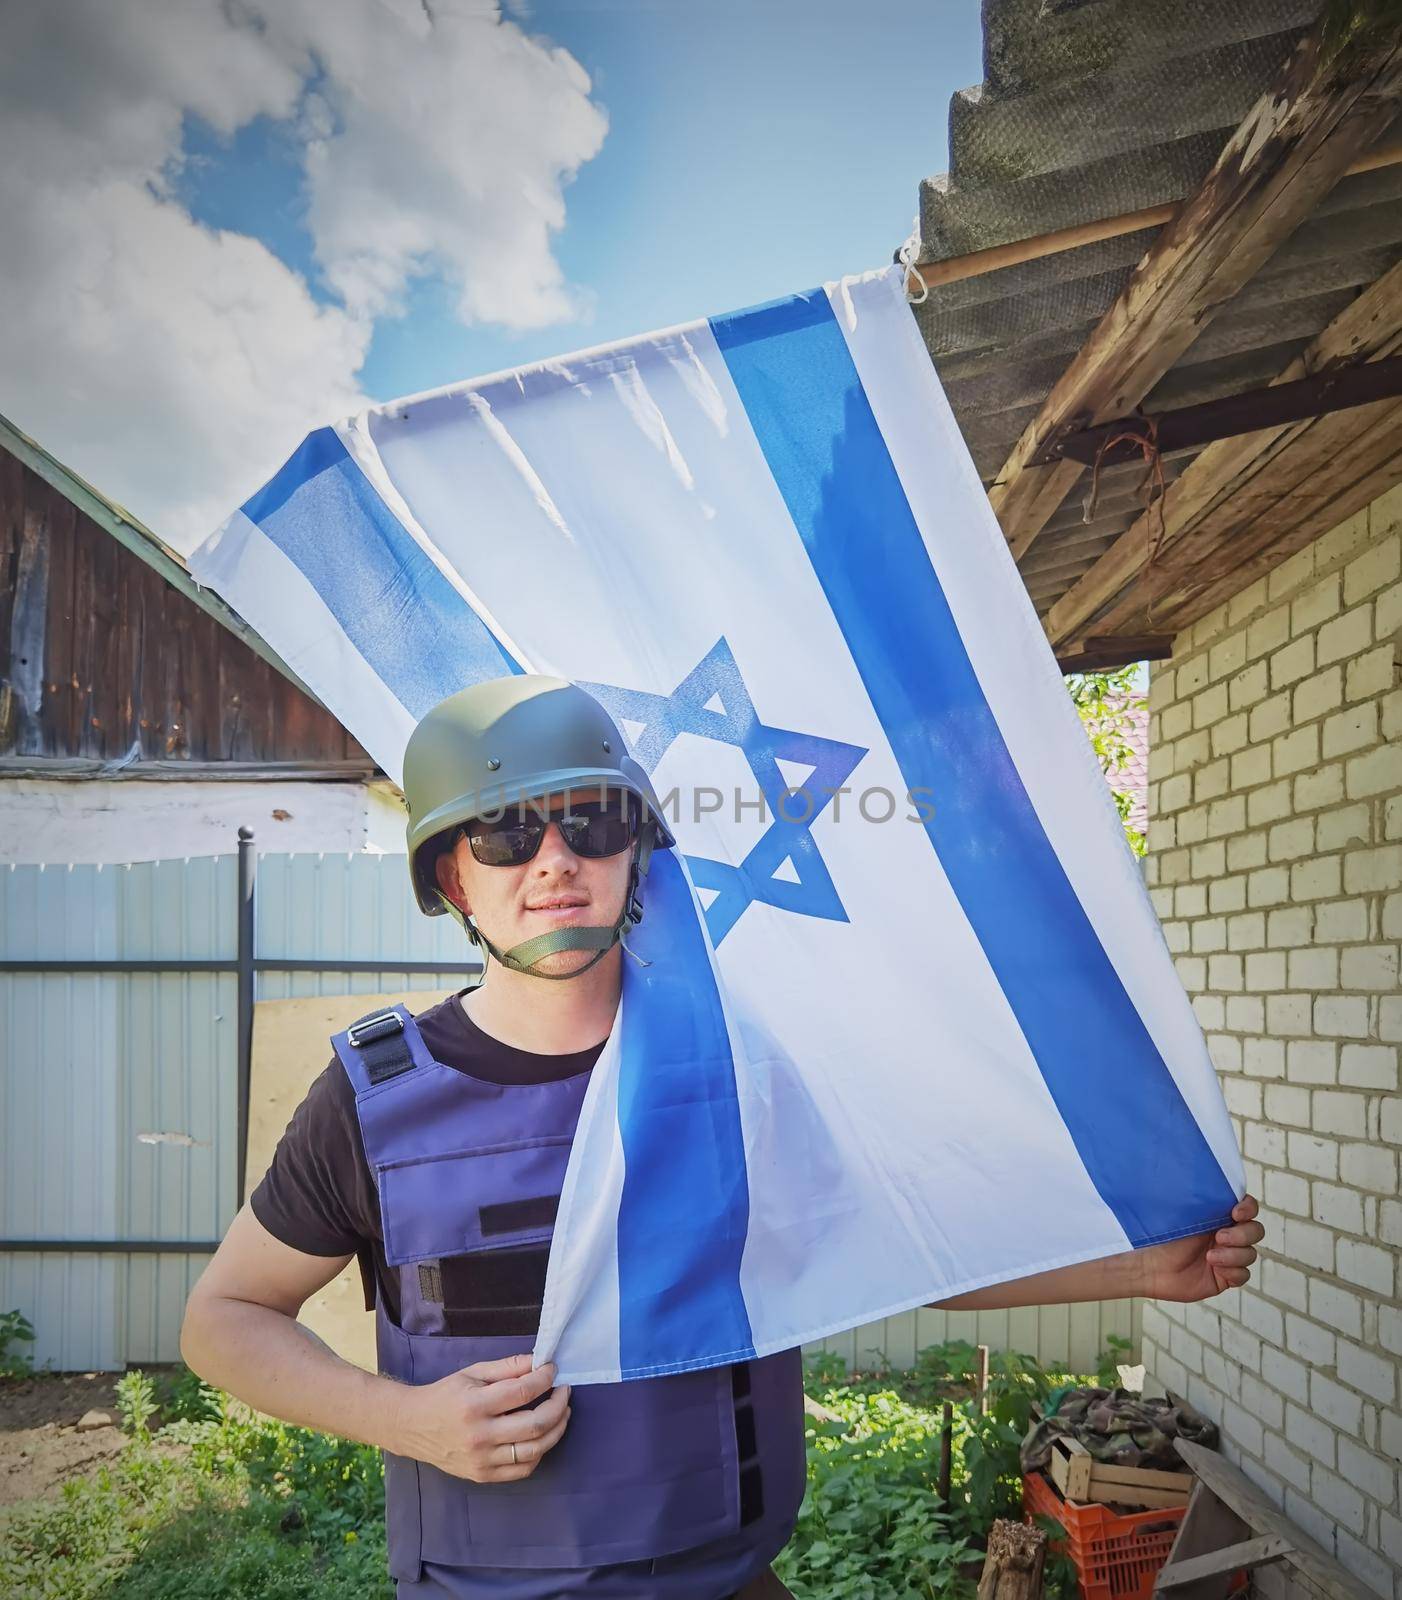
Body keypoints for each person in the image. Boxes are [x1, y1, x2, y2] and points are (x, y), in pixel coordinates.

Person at [181, 674, 1265, 1600]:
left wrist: (1136, 1268)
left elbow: (909, 1253)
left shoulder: (741, 1072)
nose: (553, 859)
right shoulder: (375, 1099)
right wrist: (407, 1421)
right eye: (507, 830)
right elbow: (225, 1319)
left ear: (636, 853)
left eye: (591, 822)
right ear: (450, 878)